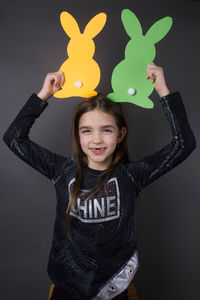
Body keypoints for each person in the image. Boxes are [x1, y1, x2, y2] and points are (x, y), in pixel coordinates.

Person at [3, 63, 196, 300]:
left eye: (106, 130)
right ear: (77, 134)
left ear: (120, 134)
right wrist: (44, 95)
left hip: (115, 286)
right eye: (87, 131)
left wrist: (163, 90)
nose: (96, 139)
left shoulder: (132, 175)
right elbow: (14, 138)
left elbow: (183, 144)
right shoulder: (61, 171)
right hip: (67, 288)